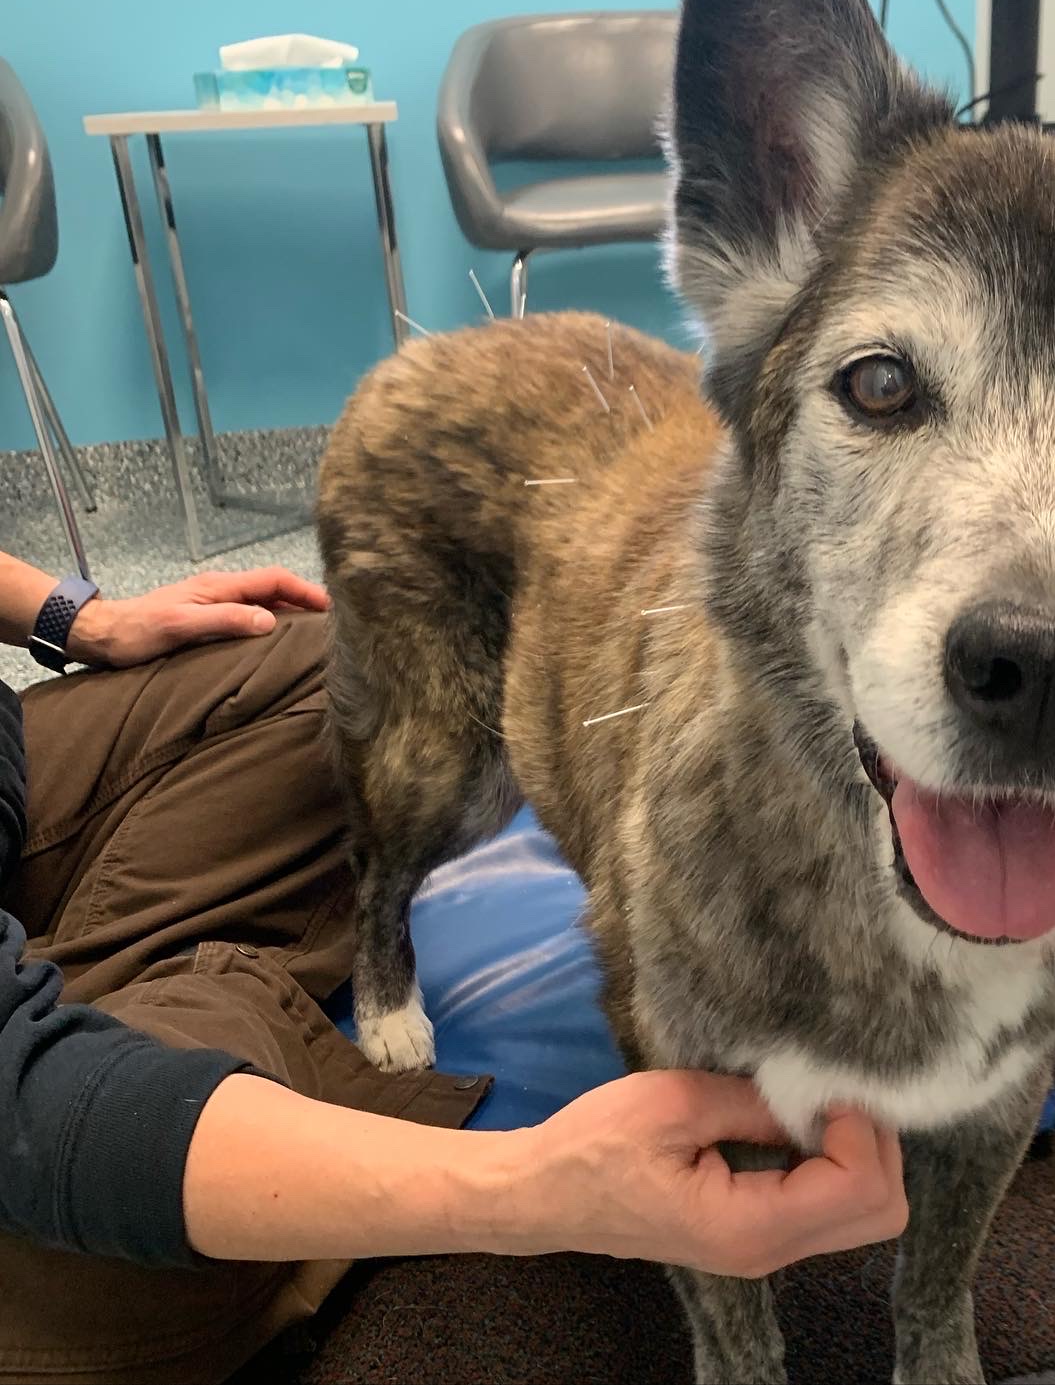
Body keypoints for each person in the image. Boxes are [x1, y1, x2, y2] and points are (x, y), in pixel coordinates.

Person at [0, 551, 906, 1385]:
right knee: (132, 1236)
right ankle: (196, 1032)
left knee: (358, 671)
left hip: (27, 781)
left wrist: (75, 617)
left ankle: (138, 1005)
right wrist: (529, 1194)